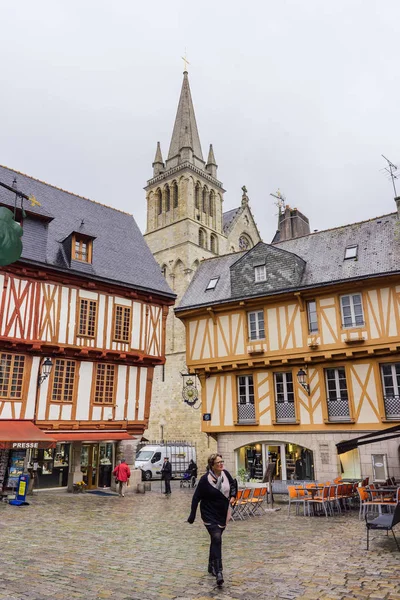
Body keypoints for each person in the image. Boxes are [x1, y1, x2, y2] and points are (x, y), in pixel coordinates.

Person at [187, 453, 237, 587]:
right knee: (216, 538)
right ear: (212, 465)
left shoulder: (225, 474)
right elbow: (196, 497)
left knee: (215, 539)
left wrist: (233, 496)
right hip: (209, 513)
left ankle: (211, 565)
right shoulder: (205, 480)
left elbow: (233, 485)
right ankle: (219, 571)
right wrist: (192, 515)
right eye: (218, 463)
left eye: (222, 462)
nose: (221, 464)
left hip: (222, 513)